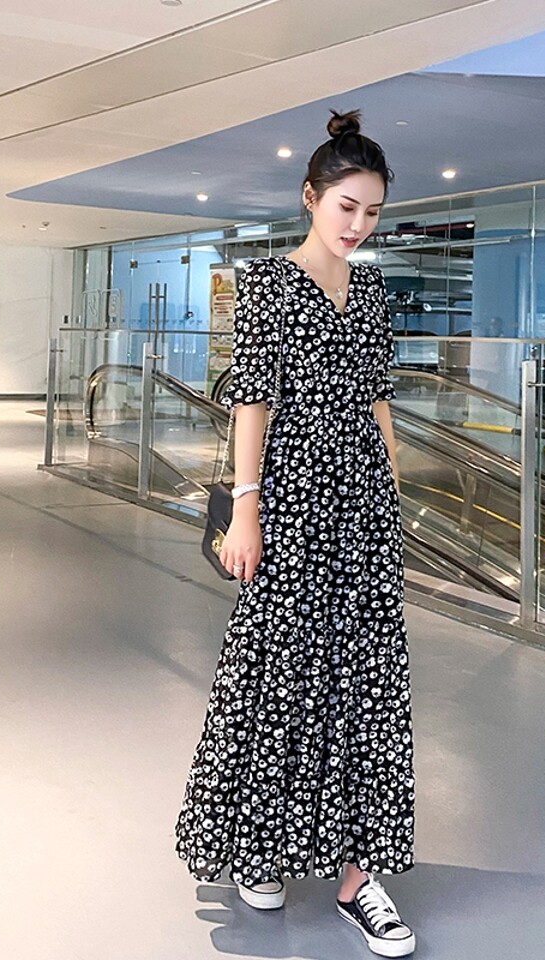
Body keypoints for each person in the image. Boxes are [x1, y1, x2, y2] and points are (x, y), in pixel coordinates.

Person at [175, 109, 416, 958]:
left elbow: (379, 396)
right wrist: (246, 508)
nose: (359, 225)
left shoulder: (373, 291)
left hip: (362, 508)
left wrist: (391, 486)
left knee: (366, 683)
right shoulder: (269, 284)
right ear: (310, 197)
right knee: (278, 675)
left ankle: (358, 876)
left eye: (372, 211)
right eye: (347, 206)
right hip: (292, 500)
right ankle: (261, 846)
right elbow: (253, 400)